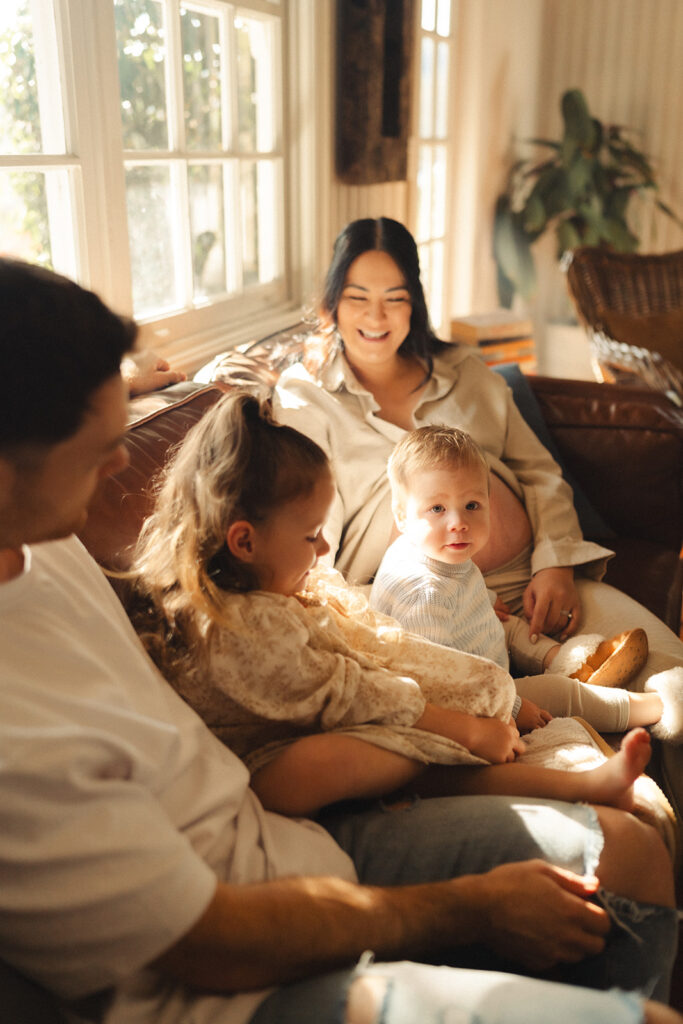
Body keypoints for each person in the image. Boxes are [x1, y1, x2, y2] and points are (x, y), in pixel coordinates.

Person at [0, 258, 679, 1024]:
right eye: (97, 448)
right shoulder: (16, 739)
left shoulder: (39, 539)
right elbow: (210, 942)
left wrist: (125, 381)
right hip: (240, 980)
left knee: (631, 856)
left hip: (285, 843)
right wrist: (466, 907)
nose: (121, 461)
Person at [271, 216, 683, 811]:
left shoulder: (465, 372)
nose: (376, 317)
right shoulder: (305, 398)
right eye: (357, 297)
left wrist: (555, 564)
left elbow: (540, 473)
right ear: (333, 302)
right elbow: (315, 545)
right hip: (425, 611)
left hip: (528, 585)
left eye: (395, 298)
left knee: (668, 663)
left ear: (415, 302)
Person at [125, 389, 660, 824]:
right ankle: (583, 784)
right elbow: (352, 687)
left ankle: (593, 757)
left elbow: (366, 646)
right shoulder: (241, 626)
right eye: (312, 535)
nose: (322, 550)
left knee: (422, 732)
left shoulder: (267, 586)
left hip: (345, 712)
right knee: (377, 758)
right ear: (244, 542)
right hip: (286, 757)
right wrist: (464, 726)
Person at [370, 424, 666, 736]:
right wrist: (512, 706)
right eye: (437, 509)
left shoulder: (434, 551)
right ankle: (652, 708)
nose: (458, 523)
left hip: (478, 651)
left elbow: (459, 585)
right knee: (558, 694)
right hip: (473, 698)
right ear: (401, 516)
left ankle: (568, 662)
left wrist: (484, 599)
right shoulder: (424, 595)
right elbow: (442, 682)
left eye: (472, 505)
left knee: (507, 623)